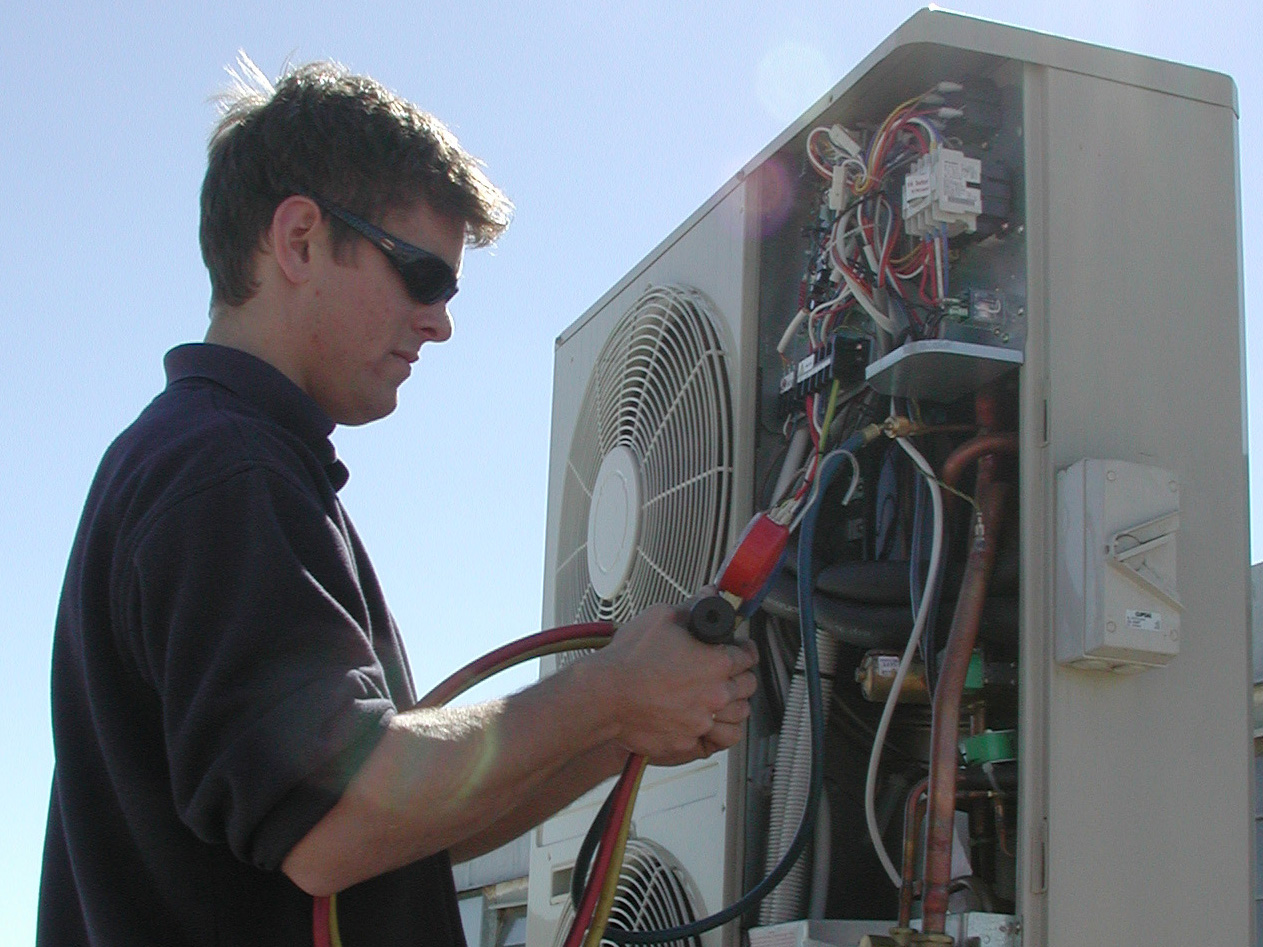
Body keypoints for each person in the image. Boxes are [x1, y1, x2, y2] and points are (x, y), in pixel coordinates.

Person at [37, 57, 757, 946]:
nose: (440, 321)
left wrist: (622, 732)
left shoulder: (219, 462)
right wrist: (608, 696)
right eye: (423, 276)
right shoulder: (224, 473)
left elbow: (396, 833)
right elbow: (333, 822)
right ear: (298, 240)